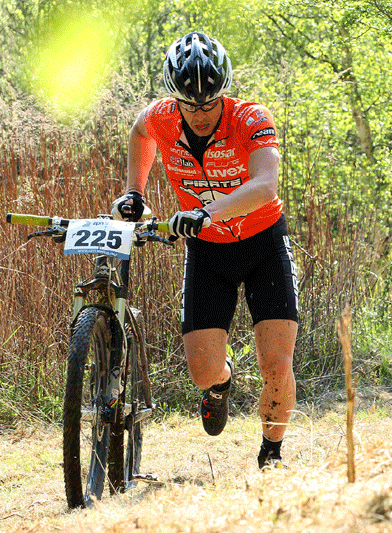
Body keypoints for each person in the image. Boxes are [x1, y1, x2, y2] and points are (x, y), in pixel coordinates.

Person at [111, 32, 299, 470]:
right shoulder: (161, 117)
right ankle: (221, 383)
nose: (199, 114)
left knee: (276, 364)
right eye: (189, 104)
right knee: (202, 372)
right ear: (174, 98)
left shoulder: (251, 118)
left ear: (224, 93)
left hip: (264, 245)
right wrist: (135, 191)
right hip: (209, 253)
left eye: (209, 103)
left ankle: (271, 454)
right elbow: (140, 132)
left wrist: (206, 211)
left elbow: (265, 185)